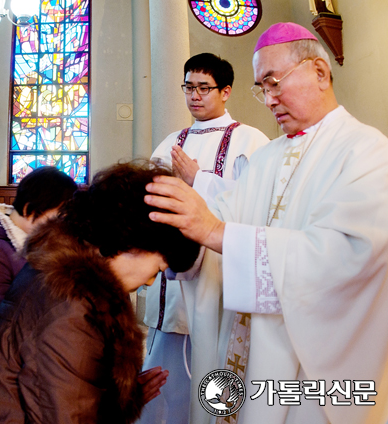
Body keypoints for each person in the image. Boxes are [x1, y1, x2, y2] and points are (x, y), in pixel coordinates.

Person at [145, 22, 388, 424]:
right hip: (250, 348)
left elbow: (348, 257)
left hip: (309, 365)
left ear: (320, 72)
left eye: (275, 83)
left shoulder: (367, 152)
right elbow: (217, 223)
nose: (268, 99)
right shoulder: (267, 158)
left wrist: (215, 232)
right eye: (262, 88)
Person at [0, 160, 201, 424]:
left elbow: (63, 395)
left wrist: (122, 397)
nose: (151, 282)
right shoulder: (71, 310)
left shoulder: (67, 280)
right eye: (157, 269)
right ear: (131, 243)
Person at [140, 53, 269, 423]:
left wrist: (200, 179)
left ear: (225, 91)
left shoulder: (250, 140)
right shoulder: (171, 141)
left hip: (219, 275)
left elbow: (255, 207)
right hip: (172, 275)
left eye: (204, 88)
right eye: (188, 87)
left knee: (213, 360)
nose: (194, 96)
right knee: (166, 365)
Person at [0, 166, 77, 424]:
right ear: (31, 209)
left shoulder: (27, 246)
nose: (62, 229)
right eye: (58, 218)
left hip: (18, 382)